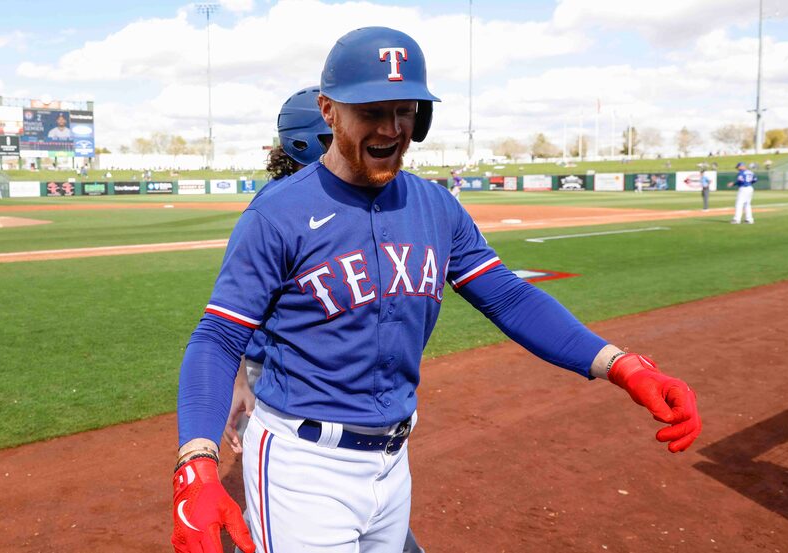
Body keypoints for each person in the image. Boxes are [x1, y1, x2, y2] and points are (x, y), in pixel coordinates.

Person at [172, 27, 701, 553]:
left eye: (404, 110)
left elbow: (508, 296)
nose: (390, 127)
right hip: (302, 464)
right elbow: (218, 337)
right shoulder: (276, 214)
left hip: (393, 461)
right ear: (329, 110)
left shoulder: (436, 206)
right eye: (371, 111)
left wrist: (620, 363)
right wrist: (196, 461)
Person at [223, 85, 424, 553]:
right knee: (277, 498)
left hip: (314, 398)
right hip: (277, 381)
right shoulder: (279, 207)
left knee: (275, 506)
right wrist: (239, 380)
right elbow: (228, 320)